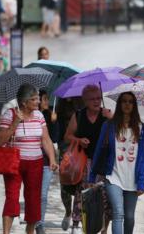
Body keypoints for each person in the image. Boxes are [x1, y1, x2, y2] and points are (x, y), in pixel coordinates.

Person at [0, 83, 58, 234]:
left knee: (33, 200)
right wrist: (15, 123)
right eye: (34, 99)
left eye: (38, 99)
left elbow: (46, 139)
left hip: (36, 163)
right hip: (14, 162)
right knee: (11, 197)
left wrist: (52, 159)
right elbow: (0, 141)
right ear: (24, 102)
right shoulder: (10, 114)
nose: (38, 102)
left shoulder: (39, 115)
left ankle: (29, 231)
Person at [90, 92, 144, 234]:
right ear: (119, 104)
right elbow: (98, 150)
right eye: (124, 101)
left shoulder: (142, 129)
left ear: (134, 106)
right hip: (113, 177)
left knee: (129, 217)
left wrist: (142, 182)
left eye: (130, 102)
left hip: (133, 180)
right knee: (118, 212)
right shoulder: (109, 126)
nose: (127, 104)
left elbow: (143, 158)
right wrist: (92, 176)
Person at [64, 85, 112, 234]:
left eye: (99, 98)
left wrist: (111, 118)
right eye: (92, 99)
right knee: (83, 195)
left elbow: (120, 134)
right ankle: (77, 225)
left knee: (105, 197)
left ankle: (104, 228)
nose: (96, 101)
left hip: (104, 163)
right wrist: (78, 140)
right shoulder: (78, 115)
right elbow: (67, 137)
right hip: (85, 162)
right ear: (85, 100)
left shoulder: (107, 115)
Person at [56, 97, 82, 231]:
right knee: (65, 185)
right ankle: (67, 212)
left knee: (80, 186)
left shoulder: (86, 104)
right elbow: (57, 133)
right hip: (65, 148)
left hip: (82, 149)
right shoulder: (60, 103)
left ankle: (76, 221)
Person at [36, 90, 59, 234]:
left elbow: (55, 138)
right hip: (32, 159)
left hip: (46, 161)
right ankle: (34, 220)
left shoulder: (50, 115)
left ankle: (40, 223)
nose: (46, 102)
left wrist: (55, 122)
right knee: (33, 193)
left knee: (43, 194)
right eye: (44, 99)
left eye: (47, 99)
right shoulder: (30, 116)